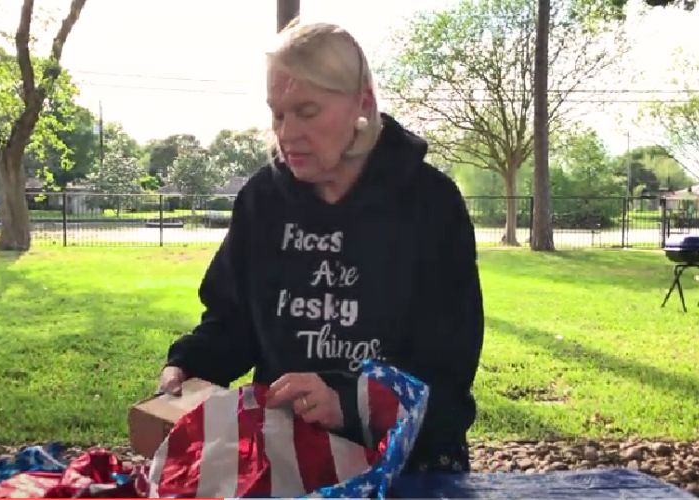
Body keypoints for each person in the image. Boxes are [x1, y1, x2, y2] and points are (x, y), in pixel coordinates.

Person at [158, 21, 484, 474]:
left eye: (307, 111)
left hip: (410, 462)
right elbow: (234, 322)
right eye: (277, 113)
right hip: (284, 455)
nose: (286, 133)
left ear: (362, 103)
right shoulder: (262, 201)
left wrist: (345, 403)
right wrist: (191, 365)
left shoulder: (430, 204)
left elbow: (446, 367)